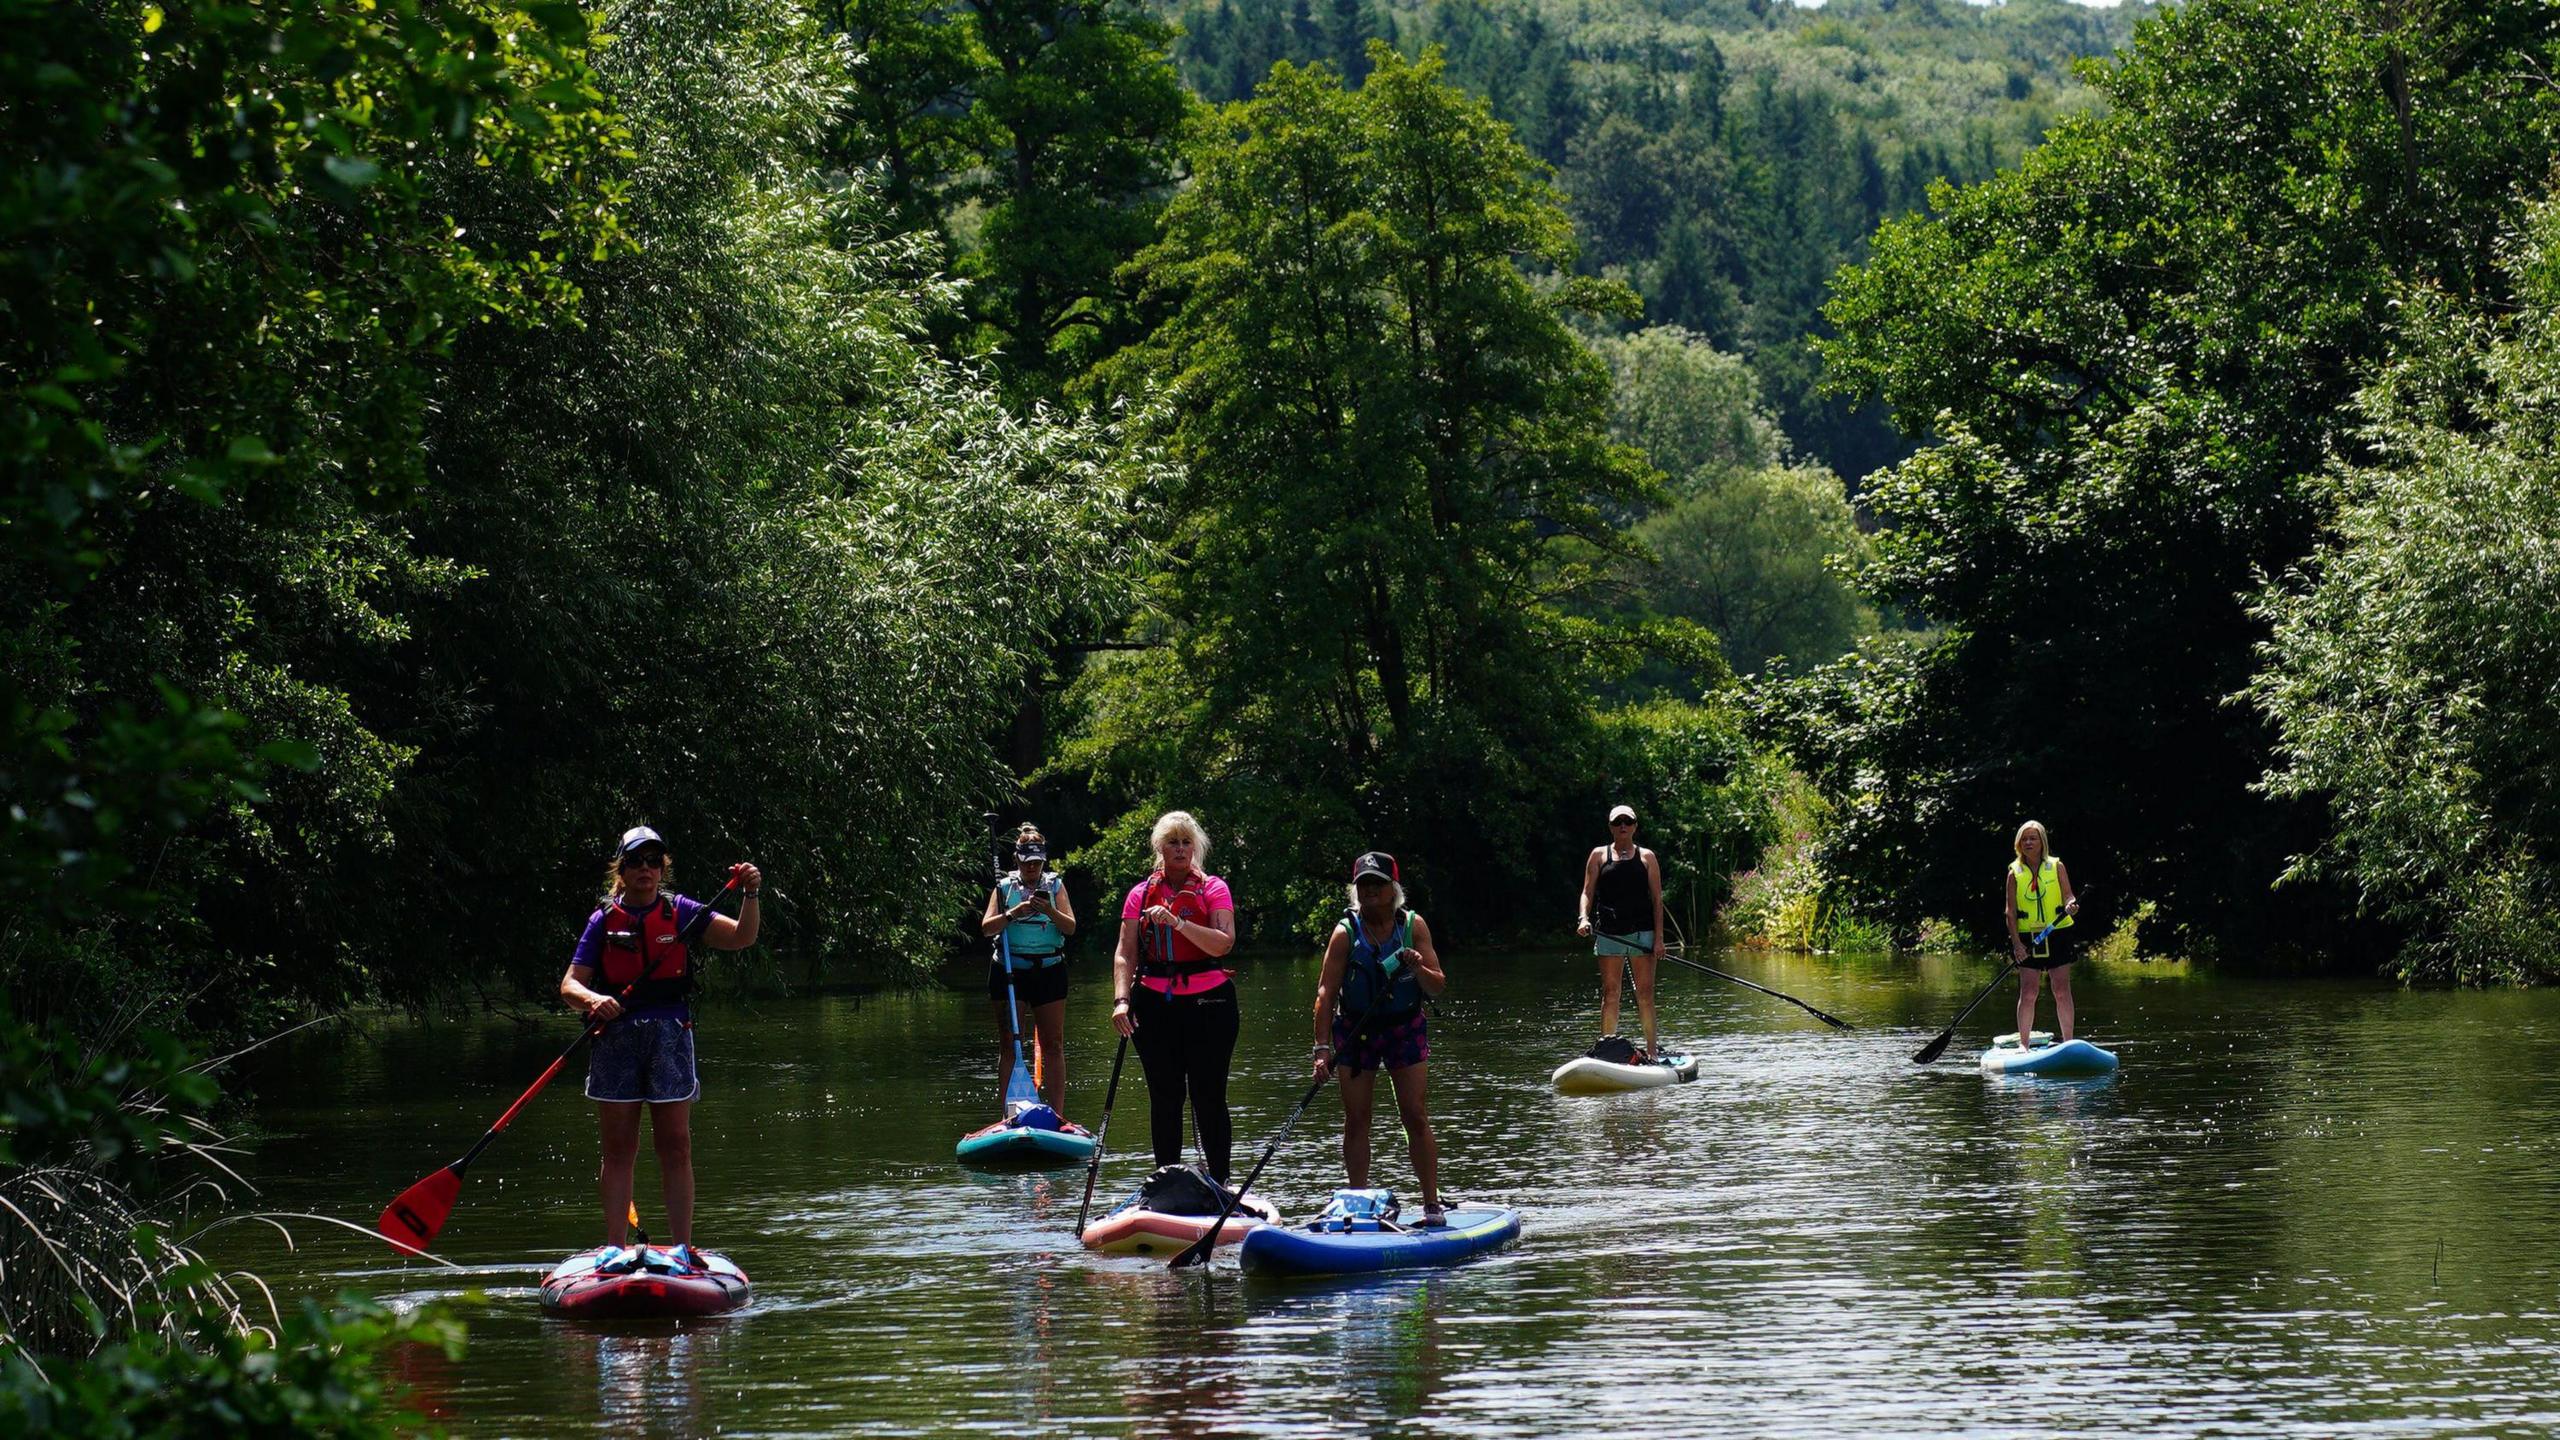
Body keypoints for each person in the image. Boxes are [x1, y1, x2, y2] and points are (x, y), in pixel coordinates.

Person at [559, 826, 761, 1271]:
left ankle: (683, 1249)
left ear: (662, 867)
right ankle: (613, 1246)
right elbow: (570, 985)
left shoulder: (682, 911)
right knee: (618, 1148)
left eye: (654, 861)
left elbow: (742, 937)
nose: (645, 869)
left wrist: (750, 894)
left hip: (670, 1038)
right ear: (622, 869)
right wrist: (594, 1000)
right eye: (636, 861)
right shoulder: (603, 920)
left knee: (676, 1146)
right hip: (616, 1040)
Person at [1313, 851, 1448, 1223]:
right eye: (1364, 885)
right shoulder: (1345, 933)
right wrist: (1321, 1050)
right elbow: (1325, 993)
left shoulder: (1413, 926)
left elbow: (1437, 987)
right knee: (1356, 1119)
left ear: (1393, 890)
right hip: (1356, 1031)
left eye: (1377, 884)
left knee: (1415, 1115)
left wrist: (1418, 966)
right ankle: (1356, 1204)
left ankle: (1431, 1204)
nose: (1370, 890)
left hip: (1405, 1027)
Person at [1109, 811, 1240, 1179]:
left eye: (1186, 842)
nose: (1180, 849)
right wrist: (1121, 1000)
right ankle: (1166, 1179)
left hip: (1210, 1002)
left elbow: (1224, 942)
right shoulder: (1140, 894)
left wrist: (1179, 922)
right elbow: (1125, 951)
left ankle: (1219, 1180)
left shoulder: (1214, 888)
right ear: (1160, 848)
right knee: (1165, 1097)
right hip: (1153, 1003)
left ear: (1195, 848)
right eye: (1173, 842)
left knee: (1208, 1096)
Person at [979, 822, 1077, 1112]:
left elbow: (1070, 927)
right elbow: (986, 928)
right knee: (1009, 1042)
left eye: (1037, 862)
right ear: (1018, 861)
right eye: (1027, 862)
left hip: (1049, 969)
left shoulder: (1056, 886)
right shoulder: (1004, 888)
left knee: (1054, 1044)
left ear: (1043, 861)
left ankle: (1057, 1114)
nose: (1032, 868)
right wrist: (1014, 912)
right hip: (1009, 971)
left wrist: (1049, 910)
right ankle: (1009, 1113)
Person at [1576, 804, 1664, 1060]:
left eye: (1627, 821)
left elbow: (1657, 900)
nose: (1623, 826)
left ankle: (1651, 1052)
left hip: (1642, 935)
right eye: (1618, 822)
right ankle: (1607, 1050)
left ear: (1635, 826)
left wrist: (1659, 939)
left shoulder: (1647, 857)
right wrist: (1583, 917)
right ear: (1611, 827)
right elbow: (1586, 893)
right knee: (1610, 993)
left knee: (1644, 994)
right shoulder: (1598, 855)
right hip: (1609, 934)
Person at [2006, 819, 2081, 1046]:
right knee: (2029, 992)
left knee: (2061, 989)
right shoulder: (2014, 872)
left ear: (2041, 842)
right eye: (2025, 839)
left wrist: (2071, 904)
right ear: (2019, 843)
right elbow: (2010, 912)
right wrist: (2017, 944)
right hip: (2029, 936)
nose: (2029, 842)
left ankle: (2068, 1042)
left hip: (2057, 932)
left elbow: (2068, 895)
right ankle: (2024, 1044)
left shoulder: (2056, 866)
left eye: (2033, 838)